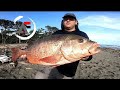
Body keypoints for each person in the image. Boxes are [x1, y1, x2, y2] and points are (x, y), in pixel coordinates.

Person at [48, 13, 93, 79]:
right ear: (62, 21)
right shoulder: (57, 33)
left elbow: (89, 54)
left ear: (76, 22)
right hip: (53, 66)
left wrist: (87, 57)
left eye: (71, 19)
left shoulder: (82, 35)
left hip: (70, 72)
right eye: (65, 19)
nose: (68, 20)